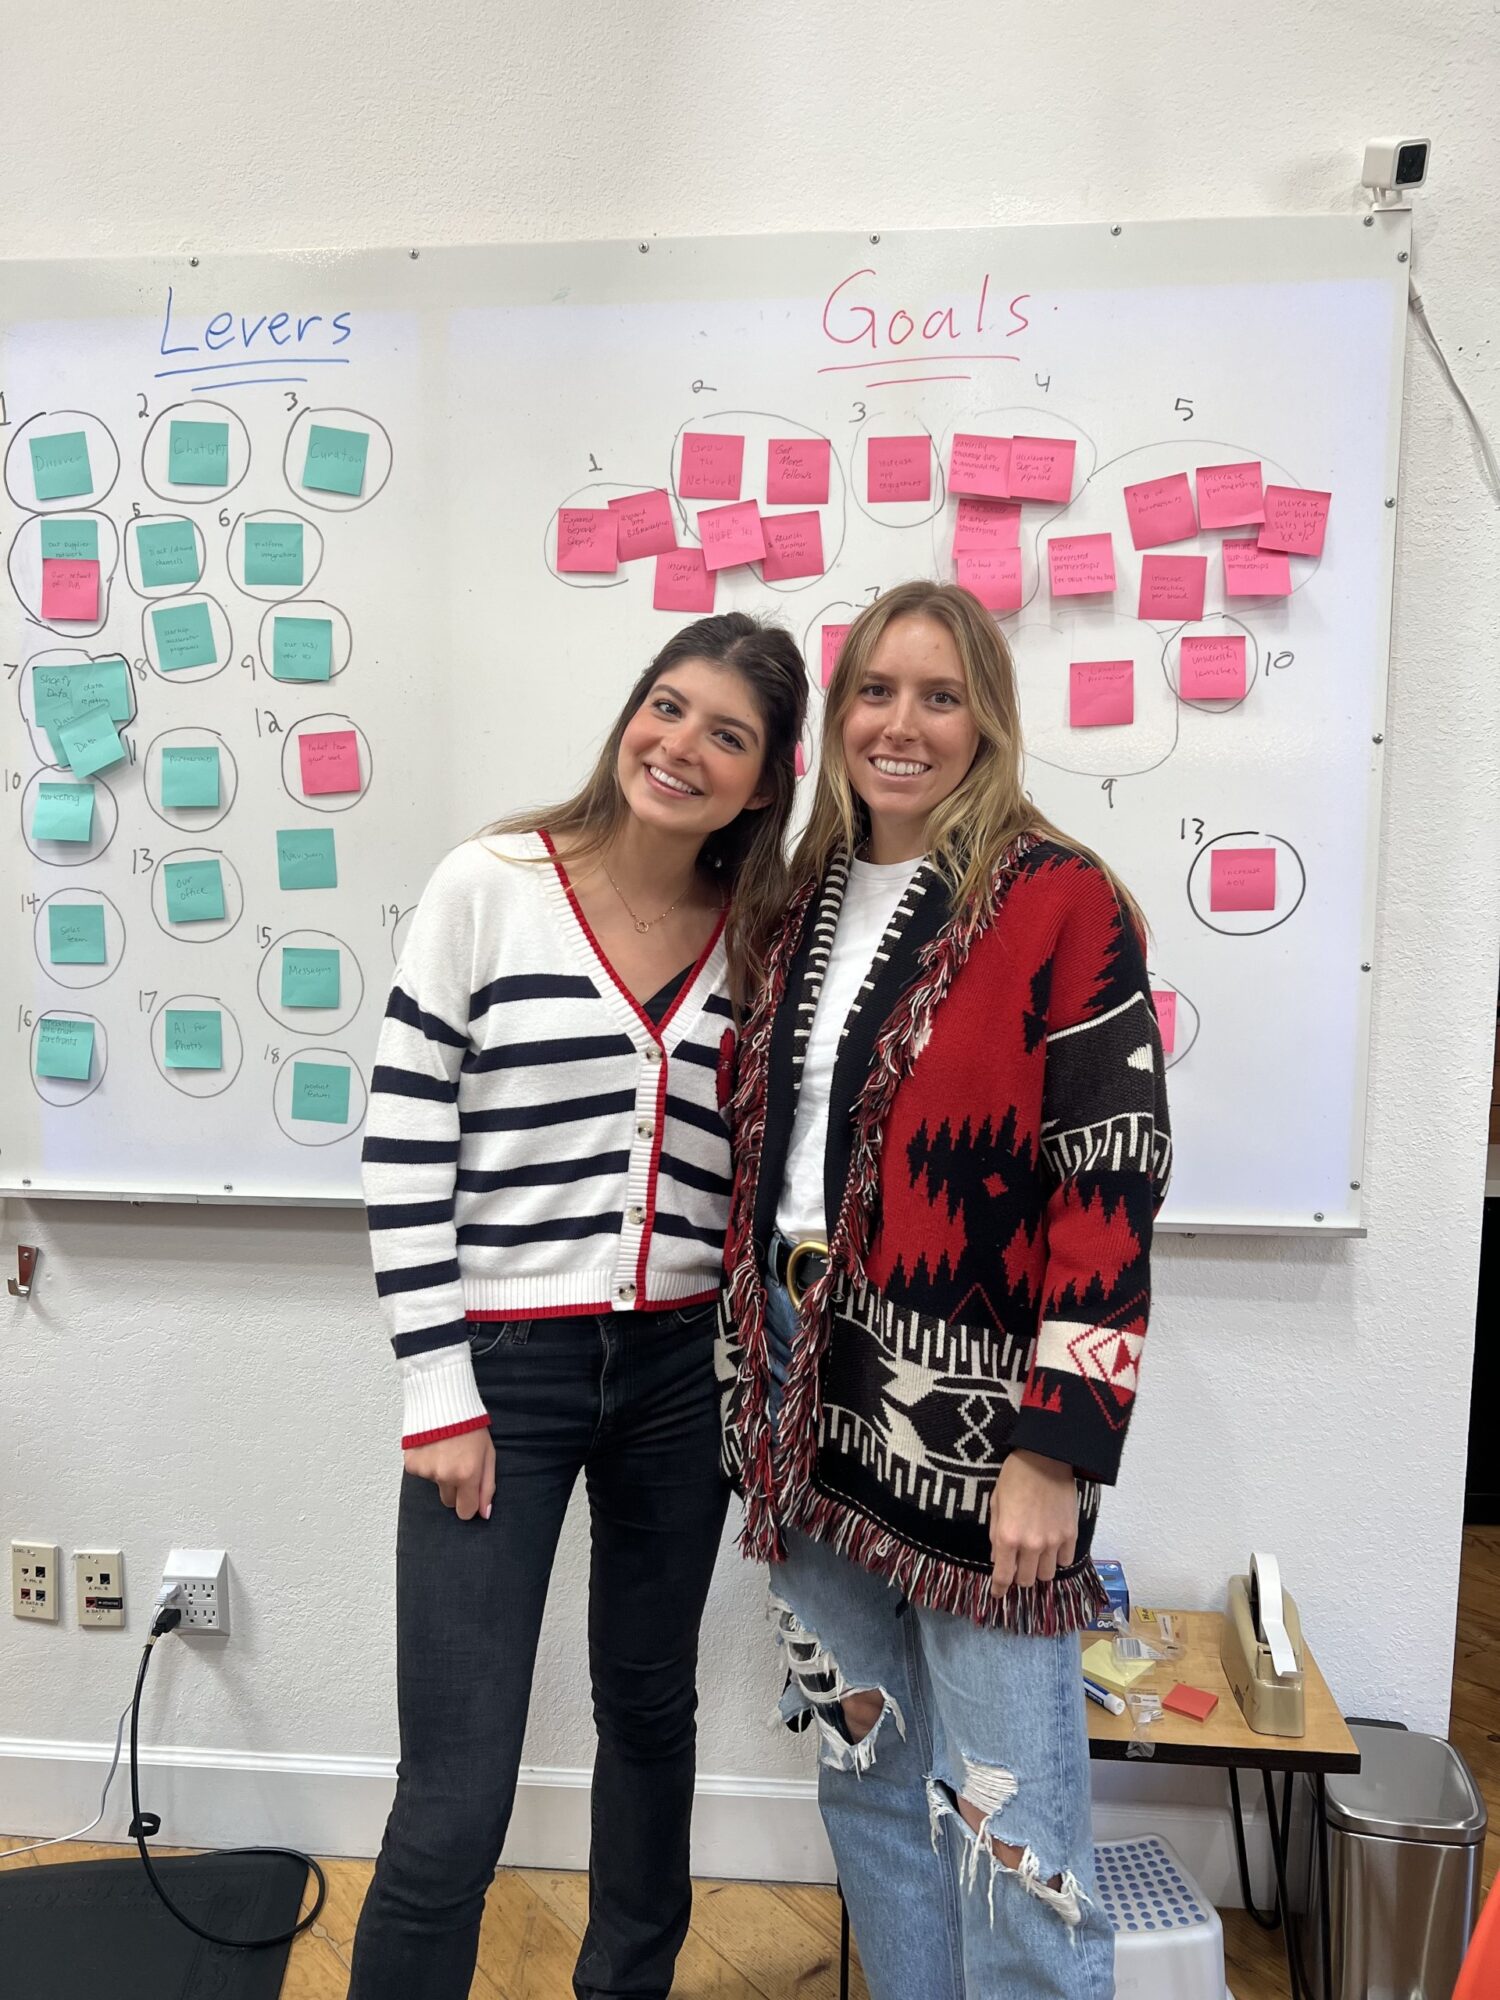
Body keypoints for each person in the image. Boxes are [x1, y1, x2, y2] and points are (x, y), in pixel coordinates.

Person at [716, 581, 1171, 1999]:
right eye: (874, 692)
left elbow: (1111, 1175)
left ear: (988, 722)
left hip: (976, 1427)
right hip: (800, 1386)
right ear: (836, 717)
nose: (900, 726)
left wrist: (1056, 1445)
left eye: (939, 695)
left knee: (1009, 1827)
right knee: (865, 1775)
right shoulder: (793, 905)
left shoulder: (1058, 902)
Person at [349, 613, 808, 2000]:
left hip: (680, 1373)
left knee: (650, 1716)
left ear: (767, 780)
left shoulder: (769, 937)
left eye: (726, 734)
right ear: (630, 715)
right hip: (503, 1371)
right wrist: (437, 1387)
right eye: (666, 708)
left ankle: (628, 1983)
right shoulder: (490, 880)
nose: (681, 745)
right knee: (458, 1786)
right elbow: (402, 1133)